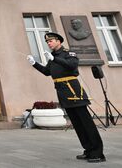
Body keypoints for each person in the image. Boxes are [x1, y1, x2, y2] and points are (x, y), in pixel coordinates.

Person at [27, 32, 106, 163]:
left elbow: (72, 66)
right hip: (62, 92)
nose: (49, 43)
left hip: (73, 90)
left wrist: (55, 59)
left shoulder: (69, 53)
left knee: (86, 123)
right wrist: (34, 63)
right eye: (47, 42)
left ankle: (98, 152)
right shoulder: (53, 56)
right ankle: (88, 150)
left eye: (51, 41)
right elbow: (47, 72)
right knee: (77, 124)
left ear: (59, 41)